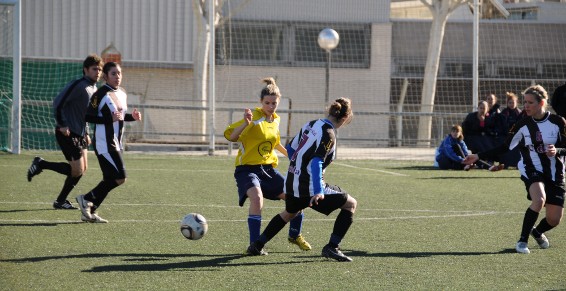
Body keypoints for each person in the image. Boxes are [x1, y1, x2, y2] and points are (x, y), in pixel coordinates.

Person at [247, 97, 357, 262]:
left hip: (291, 182)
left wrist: (297, 168)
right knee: (351, 204)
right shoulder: (329, 134)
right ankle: (332, 247)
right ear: (345, 118)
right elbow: (316, 161)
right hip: (310, 187)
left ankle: (257, 244)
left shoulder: (311, 124)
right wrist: (318, 190)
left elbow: (291, 149)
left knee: (289, 213)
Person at [463, 85, 566, 254]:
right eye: (524, 102)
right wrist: (478, 156)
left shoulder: (558, 122)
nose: (525, 106)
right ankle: (522, 241)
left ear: (541, 103)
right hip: (531, 168)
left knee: (554, 219)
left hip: (556, 172)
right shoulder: (521, 125)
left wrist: (558, 150)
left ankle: (537, 231)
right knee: (539, 199)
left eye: (530, 102)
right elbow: (504, 147)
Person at [224, 77, 311, 252]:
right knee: (257, 198)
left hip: (268, 170)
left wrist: (295, 158)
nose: (271, 106)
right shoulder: (254, 117)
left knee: (297, 198)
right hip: (247, 169)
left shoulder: (276, 120)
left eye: (274, 103)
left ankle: (295, 235)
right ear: (261, 102)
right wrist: (245, 124)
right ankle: (255, 245)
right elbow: (231, 137)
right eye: (267, 103)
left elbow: (276, 144)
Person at [27, 54, 103, 210]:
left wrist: (87, 132)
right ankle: (41, 164)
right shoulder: (78, 85)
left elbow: (85, 113)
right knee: (77, 169)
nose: (98, 72)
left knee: (82, 170)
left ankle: (60, 201)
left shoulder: (94, 88)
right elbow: (57, 103)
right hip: (67, 133)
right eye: (95, 69)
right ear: (85, 70)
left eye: (100, 69)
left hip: (81, 134)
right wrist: (62, 124)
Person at [75, 62, 142, 223]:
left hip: (116, 143)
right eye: (113, 74)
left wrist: (131, 117)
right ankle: (86, 198)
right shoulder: (100, 94)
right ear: (105, 76)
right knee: (120, 177)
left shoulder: (122, 93)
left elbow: (119, 116)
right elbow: (88, 117)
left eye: (119, 73)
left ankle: (89, 211)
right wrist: (108, 119)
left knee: (110, 179)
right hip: (104, 144)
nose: (117, 76)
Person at [499, 92, 524, 167]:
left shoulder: (519, 113)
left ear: (516, 103)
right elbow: (502, 124)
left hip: (516, 134)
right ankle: (504, 164)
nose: (511, 104)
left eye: (513, 102)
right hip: (506, 134)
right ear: (507, 103)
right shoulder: (504, 112)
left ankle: (517, 163)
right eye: (510, 103)